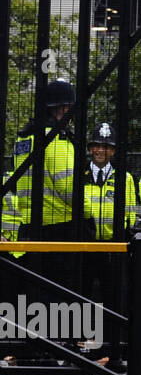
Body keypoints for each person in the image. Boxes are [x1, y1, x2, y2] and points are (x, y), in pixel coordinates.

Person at [1, 78, 80, 249]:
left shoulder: (23, 139)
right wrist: (88, 213)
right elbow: (68, 189)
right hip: (59, 227)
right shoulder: (57, 138)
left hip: (28, 224)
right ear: (64, 109)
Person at [82, 121, 138, 241]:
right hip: (85, 241)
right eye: (97, 146)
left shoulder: (125, 178)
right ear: (90, 149)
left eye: (106, 147)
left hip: (115, 242)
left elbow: (130, 213)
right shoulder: (80, 176)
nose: (101, 150)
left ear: (113, 151)